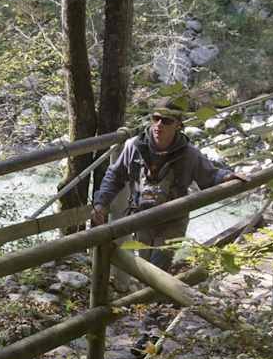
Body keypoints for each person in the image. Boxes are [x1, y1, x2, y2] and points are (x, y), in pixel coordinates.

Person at [91, 97, 241, 271]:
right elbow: (115, 175)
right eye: (156, 118)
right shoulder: (134, 146)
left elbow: (210, 175)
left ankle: (149, 296)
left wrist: (227, 177)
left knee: (157, 269)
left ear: (178, 124)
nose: (159, 125)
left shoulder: (189, 154)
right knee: (145, 267)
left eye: (167, 121)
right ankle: (149, 296)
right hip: (142, 218)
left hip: (173, 221)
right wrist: (101, 203)